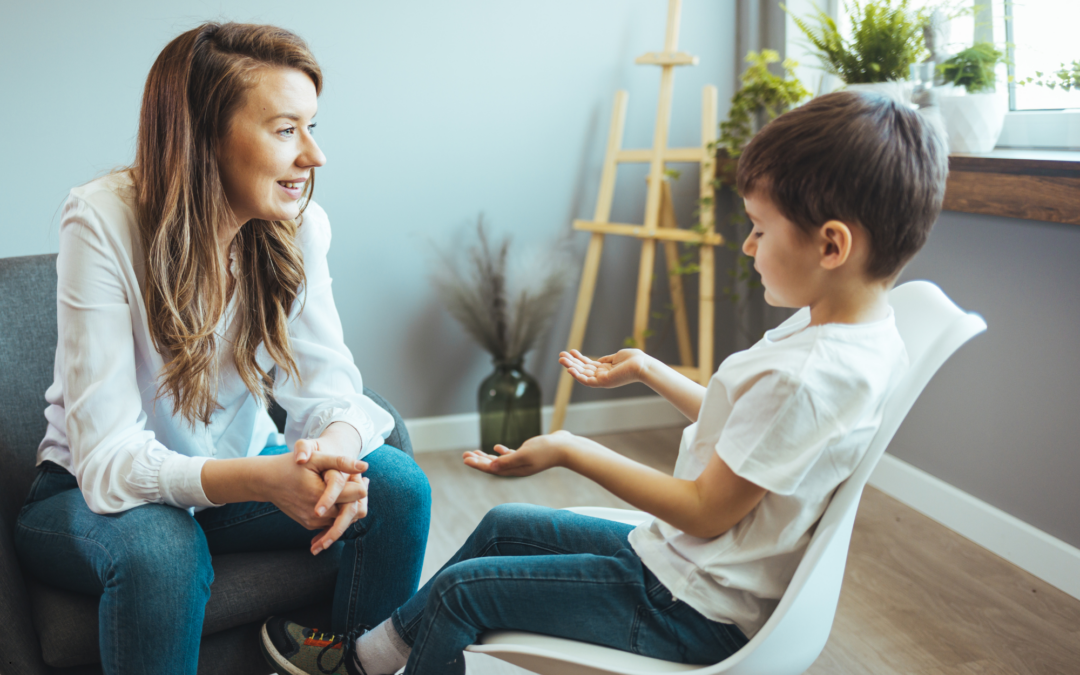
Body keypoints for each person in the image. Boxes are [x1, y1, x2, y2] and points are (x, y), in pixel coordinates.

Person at [260, 90, 948, 675]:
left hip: (687, 606)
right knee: (502, 527)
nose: (747, 245)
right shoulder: (850, 333)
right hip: (681, 570)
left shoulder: (812, 374)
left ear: (831, 245)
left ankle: (359, 663)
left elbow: (706, 508)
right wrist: (650, 369)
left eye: (761, 230)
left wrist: (571, 447)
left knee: (462, 593)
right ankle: (366, 659)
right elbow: (751, 431)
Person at [12, 22, 431, 675]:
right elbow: (107, 459)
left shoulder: (297, 226)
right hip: (86, 495)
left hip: (232, 476)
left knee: (395, 484)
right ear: (203, 136)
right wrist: (260, 477)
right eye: (286, 129)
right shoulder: (102, 219)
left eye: (313, 126)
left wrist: (335, 454)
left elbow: (331, 391)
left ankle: (349, 665)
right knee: (161, 545)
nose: (314, 156)